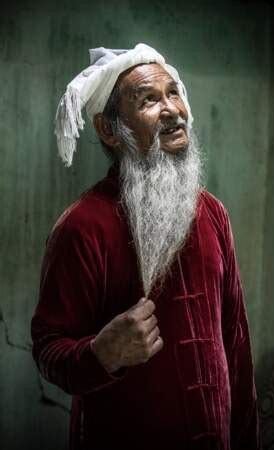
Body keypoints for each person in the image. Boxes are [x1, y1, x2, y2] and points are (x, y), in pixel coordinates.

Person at [31, 43, 260, 450]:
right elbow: (49, 349)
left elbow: (236, 343)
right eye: (149, 99)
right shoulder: (82, 226)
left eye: (174, 93)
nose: (172, 109)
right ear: (107, 128)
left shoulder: (212, 213)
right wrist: (102, 353)